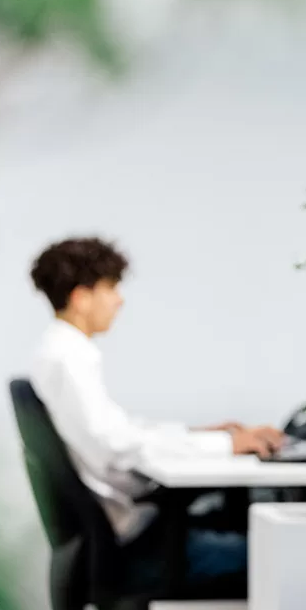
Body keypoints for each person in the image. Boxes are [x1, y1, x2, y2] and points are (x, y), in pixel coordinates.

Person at [27, 236, 283, 582]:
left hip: (130, 537)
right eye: (111, 288)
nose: (119, 300)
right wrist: (226, 446)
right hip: (140, 543)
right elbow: (115, 447)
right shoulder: (70, 358)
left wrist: (198, 435)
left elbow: (120, 431)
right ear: (81, 297)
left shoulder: (60, 351)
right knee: (282, 557)